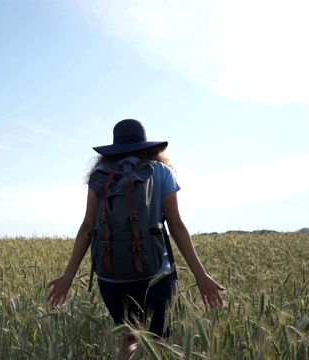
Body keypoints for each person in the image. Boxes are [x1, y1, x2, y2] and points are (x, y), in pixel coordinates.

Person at [46, 119, 224, 359]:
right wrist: (201, 276)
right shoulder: (161, 172)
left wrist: (68, 277)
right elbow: (177, 226)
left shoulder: (99, 175)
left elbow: (88, 226)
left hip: (110, 275)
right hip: (156, 273)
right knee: (156, 343)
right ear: (146, 146)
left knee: (129, 338)